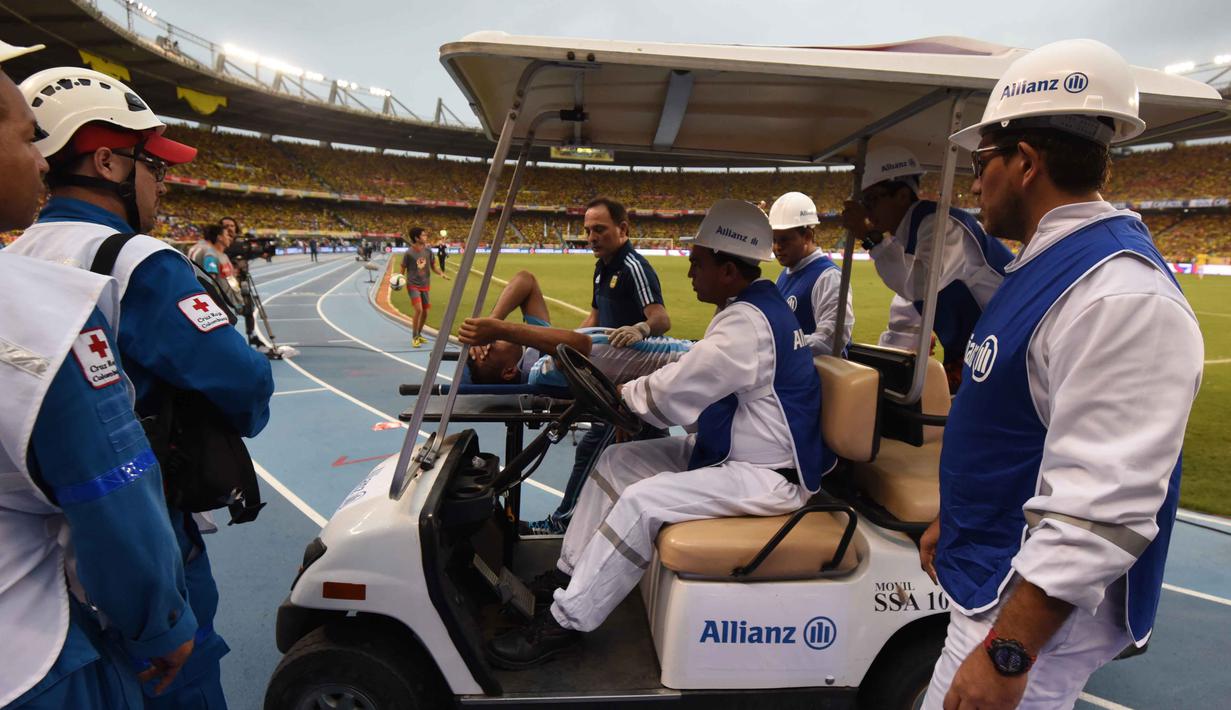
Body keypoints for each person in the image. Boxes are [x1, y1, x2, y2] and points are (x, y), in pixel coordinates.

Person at [919, 39, 1203, 709]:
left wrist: (1008, 651)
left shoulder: (1117, 295)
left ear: (1025, 163)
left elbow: (1102, 506)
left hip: (1024, 609)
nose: (975, 181)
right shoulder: (1052, 264)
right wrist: (955, 518)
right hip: (998, 573)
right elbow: (1020, 427)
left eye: (982, 161)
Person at [9, 66, 275, 709]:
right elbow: (246, 387)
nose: (163, 181)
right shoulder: (140, 263)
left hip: (41, 574)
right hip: (143, 554)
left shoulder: (18, 257)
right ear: (107, 162)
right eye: (153, 164)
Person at [488, 200, 834, 668]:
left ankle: (565, 622)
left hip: (765, 474)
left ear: (729, 270)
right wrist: (626, 396)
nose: (690, 273)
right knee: (617, 462)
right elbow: (689, 375)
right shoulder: (751, 308)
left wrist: (623, 397)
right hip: (729, 451)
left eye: (698, 264)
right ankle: (569, 574)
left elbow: (679, 386)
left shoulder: (747, 323)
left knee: (642, 500)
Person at [0, 39, 195, 708]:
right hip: (31, 655)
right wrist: (162, 622)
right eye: (27, 139)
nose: (40, 163)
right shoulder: (36, 311)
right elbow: (111, 489)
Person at [842, 145, 1014, 391]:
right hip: (976, 351)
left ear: (902, 195)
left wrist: (869, 235)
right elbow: (905, 315)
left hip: (1005, 347)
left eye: (871, 200)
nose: (867, 211)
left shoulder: (941, 224)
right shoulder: (910, 236)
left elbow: (919, 284)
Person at [459, 270, 692, 388]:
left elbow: (525, 280)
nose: (490, 342)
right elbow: (578, 347)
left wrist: (493, 320)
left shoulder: (534, 349)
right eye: (490, 349)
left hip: (685, 354)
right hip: (685, 365)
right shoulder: (539, 375)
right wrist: (501, 329)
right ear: (509, 372)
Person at [768, 191, 854, 355]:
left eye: (785, 240)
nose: (777, 247)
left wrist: (775, 345)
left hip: (818, 378)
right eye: (774, 240)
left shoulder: (828, 277)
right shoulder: (785, 274)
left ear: (807, 236)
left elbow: (831, 341)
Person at [401, 226, 448, 347]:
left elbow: (433, 266)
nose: (425, 237)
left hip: (425, 285)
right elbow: (402, 268)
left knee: (425, 312)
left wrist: (441, 273)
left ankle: (419, 334)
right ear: (416, 238)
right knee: (419, 310)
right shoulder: (409, 253)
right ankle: (414, 337)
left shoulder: (428, 251)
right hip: (413, 285)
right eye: (423, 235)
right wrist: (400, 279)